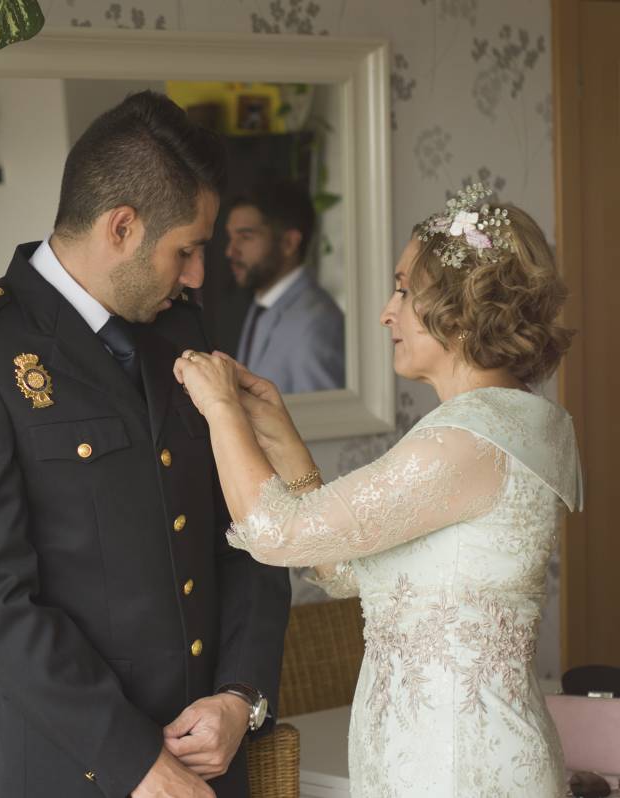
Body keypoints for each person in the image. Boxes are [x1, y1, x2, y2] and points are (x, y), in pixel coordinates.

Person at [0, 92, 291, 798]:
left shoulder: (182, 333)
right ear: (121, 227)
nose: (200, 274)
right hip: (73, 773)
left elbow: (249, 532)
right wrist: (134, 761)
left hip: (213, 766)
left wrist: (241, 695)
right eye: (187, 249)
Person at [174, 184, 581, 796]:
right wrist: (280, 438)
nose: (388, 312)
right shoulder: (503, 423)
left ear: (459, 304)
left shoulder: (466, 440)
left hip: (458, 770)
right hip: (429, 757)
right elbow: (348, 571)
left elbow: (274, 534)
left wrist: (219, 410)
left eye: (403, 289)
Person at [226, 181, 344, 393]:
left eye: (245, 237)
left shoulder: (316, 324)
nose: (230, 251)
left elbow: (326, 422)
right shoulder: (262, 305)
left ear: (289, 242)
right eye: (231, 237)